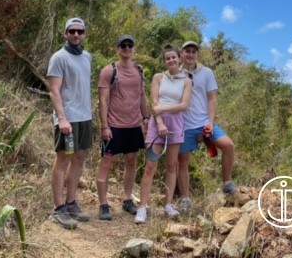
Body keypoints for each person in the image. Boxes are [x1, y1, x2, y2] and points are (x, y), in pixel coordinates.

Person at [135, 46, 192, 224]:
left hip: (176, 124)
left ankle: (168, 204)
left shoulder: (186, 81)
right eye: (167, 58)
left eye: (174, 57)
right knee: (150, 165)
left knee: (171, 166)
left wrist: (163, 108)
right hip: (156, 124)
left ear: (179, 58)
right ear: (164, 61)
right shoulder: (158, 77)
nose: (171, 60)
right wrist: (159, 121)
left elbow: (183, 105)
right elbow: (154, 102)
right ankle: (142, 207)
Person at [177, 40, 236, 211]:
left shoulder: (207, 73)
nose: (190, 54)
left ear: (197, 54)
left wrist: (210, 122)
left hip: (204, 122)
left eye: (193, 51)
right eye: (187, 51)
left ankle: (227, 183)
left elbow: (212, 98)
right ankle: (185, 199)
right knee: (183, 160)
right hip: (185, 125)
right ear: (181, 54)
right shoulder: (175, 73)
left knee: (228, 146)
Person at [95, 34, 149, 220]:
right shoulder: (109, 71)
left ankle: (127, 199)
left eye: (130, 45)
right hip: (114, 126)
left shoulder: (139, 71)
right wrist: (105, 126)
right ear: (117, 49)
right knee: (106, 162)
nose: (127, 48)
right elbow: (103, 100)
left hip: (133, 125)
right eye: (123, 45)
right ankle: (103, 204)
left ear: (134, 49)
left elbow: (141, 96)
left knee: (131, 161)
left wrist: (146, 117)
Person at [47, 17, 93, 230]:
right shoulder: (59, 57)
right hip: (68, 118)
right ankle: (58, 208)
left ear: (84, 34)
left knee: (79, 158)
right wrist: (62, 118)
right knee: (63, 159)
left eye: (79, 31)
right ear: (65, 33)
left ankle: (71, 202)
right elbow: (54, 90)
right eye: (72, 31)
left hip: (84, 117)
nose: (76, 34)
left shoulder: (87, 57)